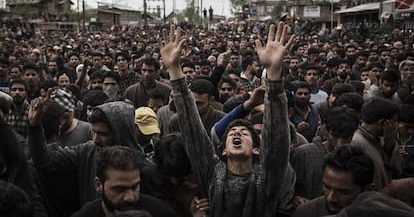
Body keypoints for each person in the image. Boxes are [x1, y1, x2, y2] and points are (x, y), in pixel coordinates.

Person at [161, 23, 294, 216]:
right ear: (223, 149)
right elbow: (193, 132)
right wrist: (174, 70)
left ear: (257, 150)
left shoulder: (267, 177)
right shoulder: (212, 174)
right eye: (231, 133)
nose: (237, 133)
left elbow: (277, 137)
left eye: (244, 133)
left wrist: (274, 75)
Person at [28, 97, 144, 206]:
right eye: (94, 132)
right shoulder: (87, 151)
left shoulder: (143, 166)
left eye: (103, 134)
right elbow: (45, 161)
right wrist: (35, 126)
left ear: (121, 133)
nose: (96, 140)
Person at [72, 146, 178, 217]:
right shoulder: (85, 214)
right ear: (99, 185)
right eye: (119, 189)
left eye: (135, 187)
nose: (130, 197)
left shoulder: (161, 212)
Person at [291, 106, 360, 206]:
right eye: (335, 136)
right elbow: (289, 188)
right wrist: (295, 198)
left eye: (346, 137)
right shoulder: (302, 154)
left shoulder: (356, 158)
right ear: (327, 131)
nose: (340, 143)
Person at [293, 145, 375, 217]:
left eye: (343, 192)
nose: (330, 198)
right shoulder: (306, 213)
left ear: (368, 190)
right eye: (327, 187)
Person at [351, 98, 401, 191]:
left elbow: (396, 169)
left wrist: (390, 144)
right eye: (394, 122)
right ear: (382, 123)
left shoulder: (380, 139)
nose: (396, 126)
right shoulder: (358, 143)